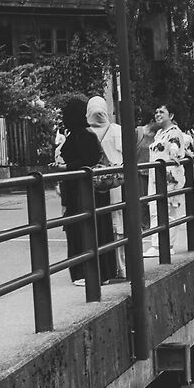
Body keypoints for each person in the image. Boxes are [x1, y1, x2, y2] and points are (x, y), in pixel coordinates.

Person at [57, 96, 120, 282]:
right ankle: (102, 272)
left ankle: (87, 273)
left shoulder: (82, 135)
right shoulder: (83, 134)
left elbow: (87, 161)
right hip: (91, 192)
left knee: (83, 230)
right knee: (96, 230)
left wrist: (65, 168)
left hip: (83, 193)